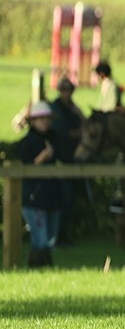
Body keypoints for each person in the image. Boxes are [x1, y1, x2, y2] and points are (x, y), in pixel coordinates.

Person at [17, 101, 65, 267]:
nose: (44, 121)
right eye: (40, 118)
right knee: (40, 237)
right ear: (33, 121)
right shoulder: (27, 143)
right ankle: (37, 266)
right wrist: (41, 159)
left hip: (52, 195)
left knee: (51, 237)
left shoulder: (55, 139)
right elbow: (24, 168)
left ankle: (45, 266)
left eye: (47, 118)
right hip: (34, 197)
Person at [50, 77, 85, 244]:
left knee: (69, 199)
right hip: (61, 160)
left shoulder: (72, 108)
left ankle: (63, 234)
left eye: (69, 90)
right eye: (64, 90)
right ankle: (59, 235)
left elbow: (84, 123)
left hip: (72, 159)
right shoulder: (56, 107)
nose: (67, 93)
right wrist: (81, 133)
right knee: (64, 199)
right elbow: (62, 132)